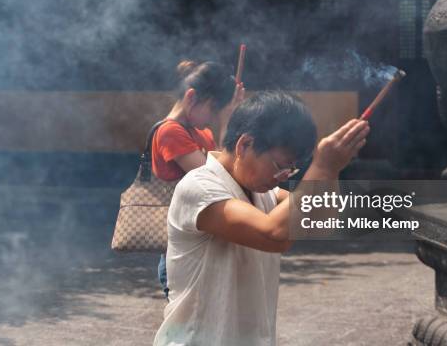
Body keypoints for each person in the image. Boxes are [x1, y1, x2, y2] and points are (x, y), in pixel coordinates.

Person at [153, 91, 370, 346]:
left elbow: (321, 216)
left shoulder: (263, 191)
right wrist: (322, 167)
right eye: (280, 166)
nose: (283, 176)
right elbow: (274, 235)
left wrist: (332, 170)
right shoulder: (199, 187)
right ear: (244, 145)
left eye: (292, 169)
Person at [152, 60, 245, 299]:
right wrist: (227, 123)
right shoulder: (170, 132)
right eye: (214, 109)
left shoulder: (202, 133)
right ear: (191, 97)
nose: (214, 116)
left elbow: (229, 168)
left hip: (201, 244)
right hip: (183, 253)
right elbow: (217, 179)